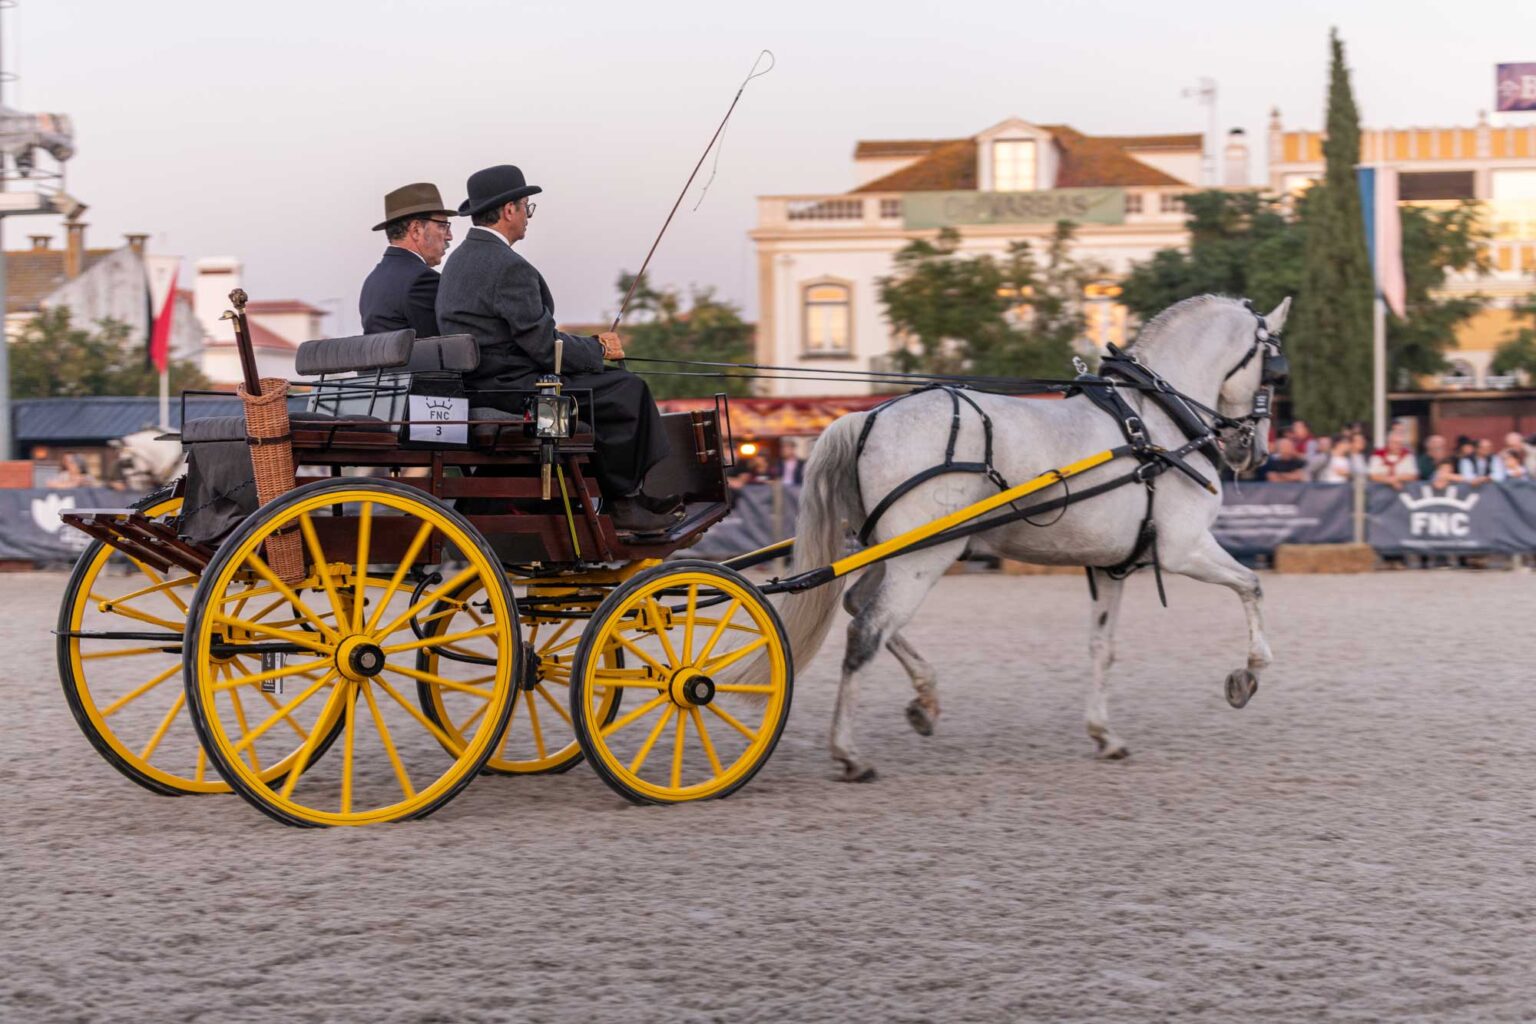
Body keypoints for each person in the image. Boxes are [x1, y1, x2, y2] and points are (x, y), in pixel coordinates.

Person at [436, 164, 675, 533]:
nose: (528, 218)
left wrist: (585, 352)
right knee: (627, 391)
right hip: (515, 391)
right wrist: (597, 350)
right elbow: (546, 346)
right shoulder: (507, 266)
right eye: (526, 208)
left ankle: (621, 496)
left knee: (605, 388)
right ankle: (623, 501)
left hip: (480, 384)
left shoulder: (458, 261)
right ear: (509, 210)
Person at [359, 183, 456, 338]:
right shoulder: (422, 280)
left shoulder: (372, 280)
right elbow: (443, 347)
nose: (450, 236)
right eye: (443, 226)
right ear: (416, 230)